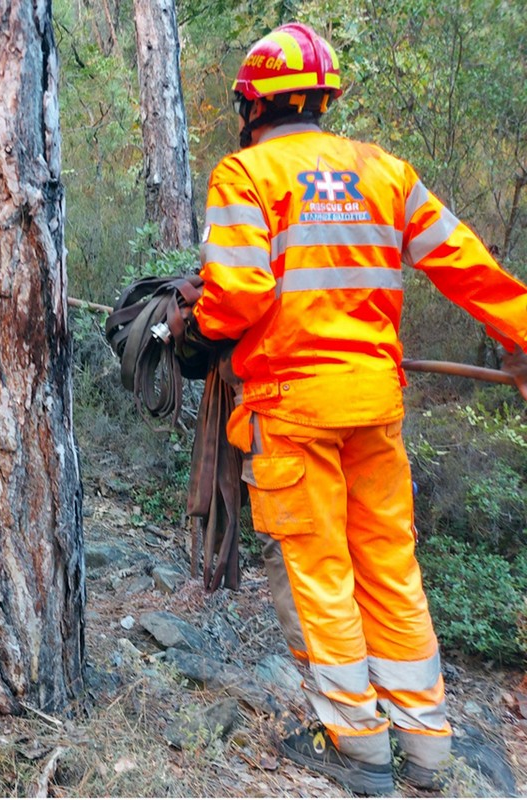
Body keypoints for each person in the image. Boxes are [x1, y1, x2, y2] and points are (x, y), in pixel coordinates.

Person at [189, 22, 527, 796]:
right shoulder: (384, 171)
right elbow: (463, 261)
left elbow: (234, 298)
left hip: (292, 406)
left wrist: (193, 333)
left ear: (252, 105)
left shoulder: (245, 176)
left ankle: (358, 749)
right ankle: (428, 746)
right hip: (374, 407)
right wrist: (522, 335)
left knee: (320, 571)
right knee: (390, 567)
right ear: (324, 99)